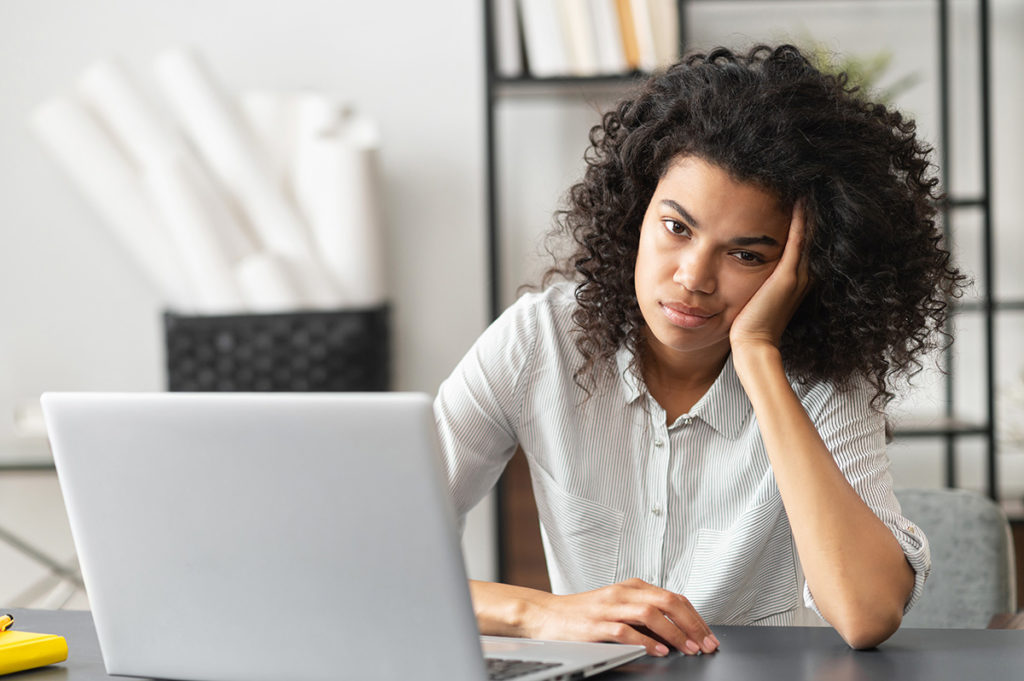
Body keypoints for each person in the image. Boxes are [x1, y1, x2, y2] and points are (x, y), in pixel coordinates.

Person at [434, 44, 967, 655]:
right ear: (637, 211)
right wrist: (537, 614)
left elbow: (866, 613)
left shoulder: (821, 378)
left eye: (746, 254)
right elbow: (372, 552)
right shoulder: (539, 341)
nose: (693, 276)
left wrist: (760, 354)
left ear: (806, 269)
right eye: (676, 227)